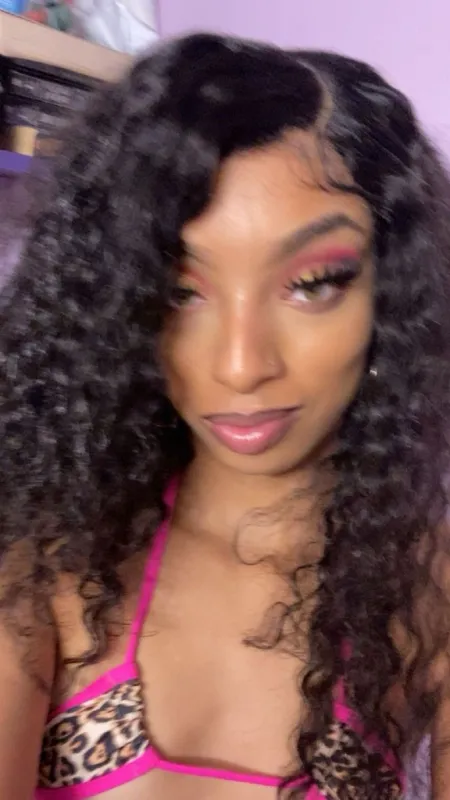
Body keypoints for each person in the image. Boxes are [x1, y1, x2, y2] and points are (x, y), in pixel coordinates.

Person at [0, 31, 449, 800]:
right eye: (181, 290)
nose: (242, 364)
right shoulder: (42, 562)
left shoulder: (429, 587)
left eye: (313, 283)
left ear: (394, 295)